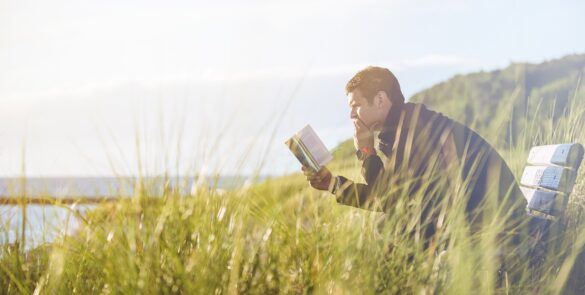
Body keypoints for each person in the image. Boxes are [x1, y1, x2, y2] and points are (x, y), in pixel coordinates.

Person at [301, 66, 529, 279]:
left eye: (355, 105)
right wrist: (333, 183)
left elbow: (387, 198)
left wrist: (366, 152)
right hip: (480, 219)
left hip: (500, 228)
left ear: (380, 99)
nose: (351, 114)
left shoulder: (414, 130)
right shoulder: (404, 126)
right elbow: (392, 196)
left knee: (390, 229)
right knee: (389, 227)